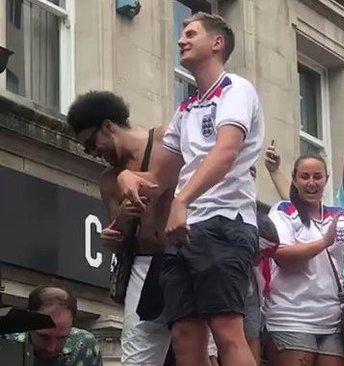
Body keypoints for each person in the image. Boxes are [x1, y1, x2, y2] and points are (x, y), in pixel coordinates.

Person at [117, 12, 263, 366]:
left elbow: (226, 151)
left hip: (225, 223)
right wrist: (127, 178)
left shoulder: (236, 89)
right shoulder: (186, 108)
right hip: (182, 232)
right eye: (182, 34)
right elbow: (158, 179)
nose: (181, 39)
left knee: (227, 329)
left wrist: (181, 200)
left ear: (217, 43)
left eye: (191, 33)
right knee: (184, 335)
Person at [67, 91, 219, 366]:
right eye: (86, 150)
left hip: (186, 256)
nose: (94, 153)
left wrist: (127, 176)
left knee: (197, 350)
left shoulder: (165, 140)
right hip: (144, 264)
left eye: (92, 142)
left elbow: (158, 184)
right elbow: (122, 233)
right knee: (137, 356)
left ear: (108, 126)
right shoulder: (109, 181)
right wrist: (116, 229)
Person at [263, 155, 344, 366]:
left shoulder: (339, 215)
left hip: (330, 320)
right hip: (291, 317)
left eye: (317, 177)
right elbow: (282, 257)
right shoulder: (283, 211)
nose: (311, 183)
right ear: (294, 180)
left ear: (326, 179)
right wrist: (323, 242)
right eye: (304, 177)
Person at [3, 286, 102, 365]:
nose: (51, 348)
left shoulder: (85, 345)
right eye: (44, 337)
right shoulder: (6, 340)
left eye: (62, 338)